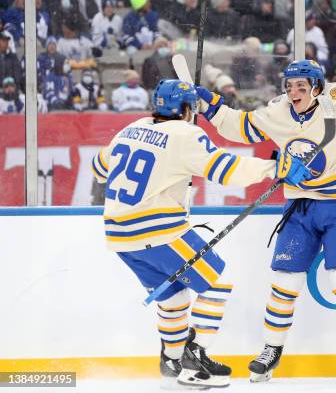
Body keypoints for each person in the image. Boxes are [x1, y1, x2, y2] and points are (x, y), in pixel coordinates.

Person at [196, 34, 336, 384]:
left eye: (301, 86)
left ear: (317, 87)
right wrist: (211, 107)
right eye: (289, 85)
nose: (293, 92)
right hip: (300, 208)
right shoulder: (277, 110)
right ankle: (271, 349)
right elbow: (243, 128)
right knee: (283, 282)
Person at [91, 78, 312, 389]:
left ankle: (172, 359)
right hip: (158, 229)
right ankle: (193, 356)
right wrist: (273, 168)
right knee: (217, 282)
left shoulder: (132, 127)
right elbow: (225, 169)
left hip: (119, 235)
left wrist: (172, 173)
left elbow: (99, 167)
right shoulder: (186, 134)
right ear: (185, 109)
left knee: (173, 297)